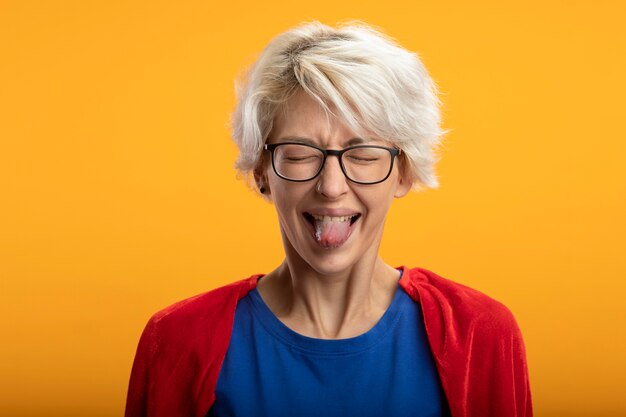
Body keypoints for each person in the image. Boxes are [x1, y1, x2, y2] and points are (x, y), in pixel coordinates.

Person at [125, 21, 532, 417]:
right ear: (262, 173)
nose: (332, 186)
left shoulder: (480, 333)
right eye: (300, 154)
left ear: (404, 172)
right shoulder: (178, 341)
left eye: (363, 154)